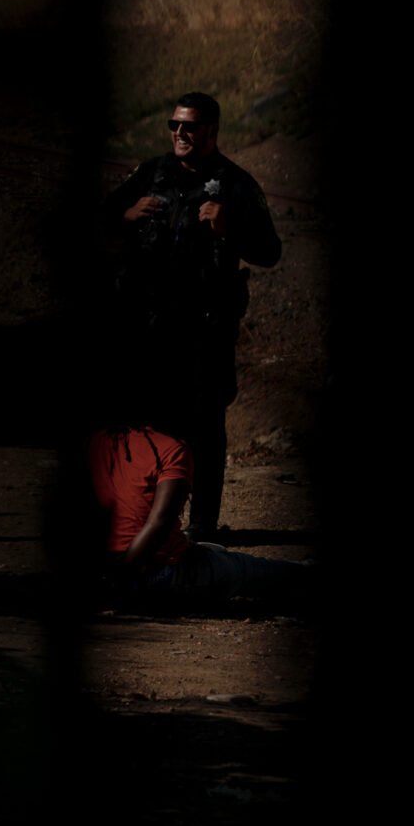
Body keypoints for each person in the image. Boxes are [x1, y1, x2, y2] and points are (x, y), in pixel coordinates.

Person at [100, 91, 281, 541]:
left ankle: (201, 527)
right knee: (147, 424)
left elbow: (270, 251)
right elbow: (98, 218)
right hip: (147, 328)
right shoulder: (151, 174)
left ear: (211, 131)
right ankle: (149, 519)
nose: (180, 133)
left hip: (205, 329)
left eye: (190, 126)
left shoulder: (235, 184)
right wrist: (126, 214)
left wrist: (229, 228)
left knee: (204, 426)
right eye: (174, 125)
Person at [87, 418, 312, 603]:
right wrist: (121, 578)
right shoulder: (170, 449)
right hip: (154, 573)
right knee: (241, 568)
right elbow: (159, 523)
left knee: (208, 551)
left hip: (106, 570)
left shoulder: (98, 441)